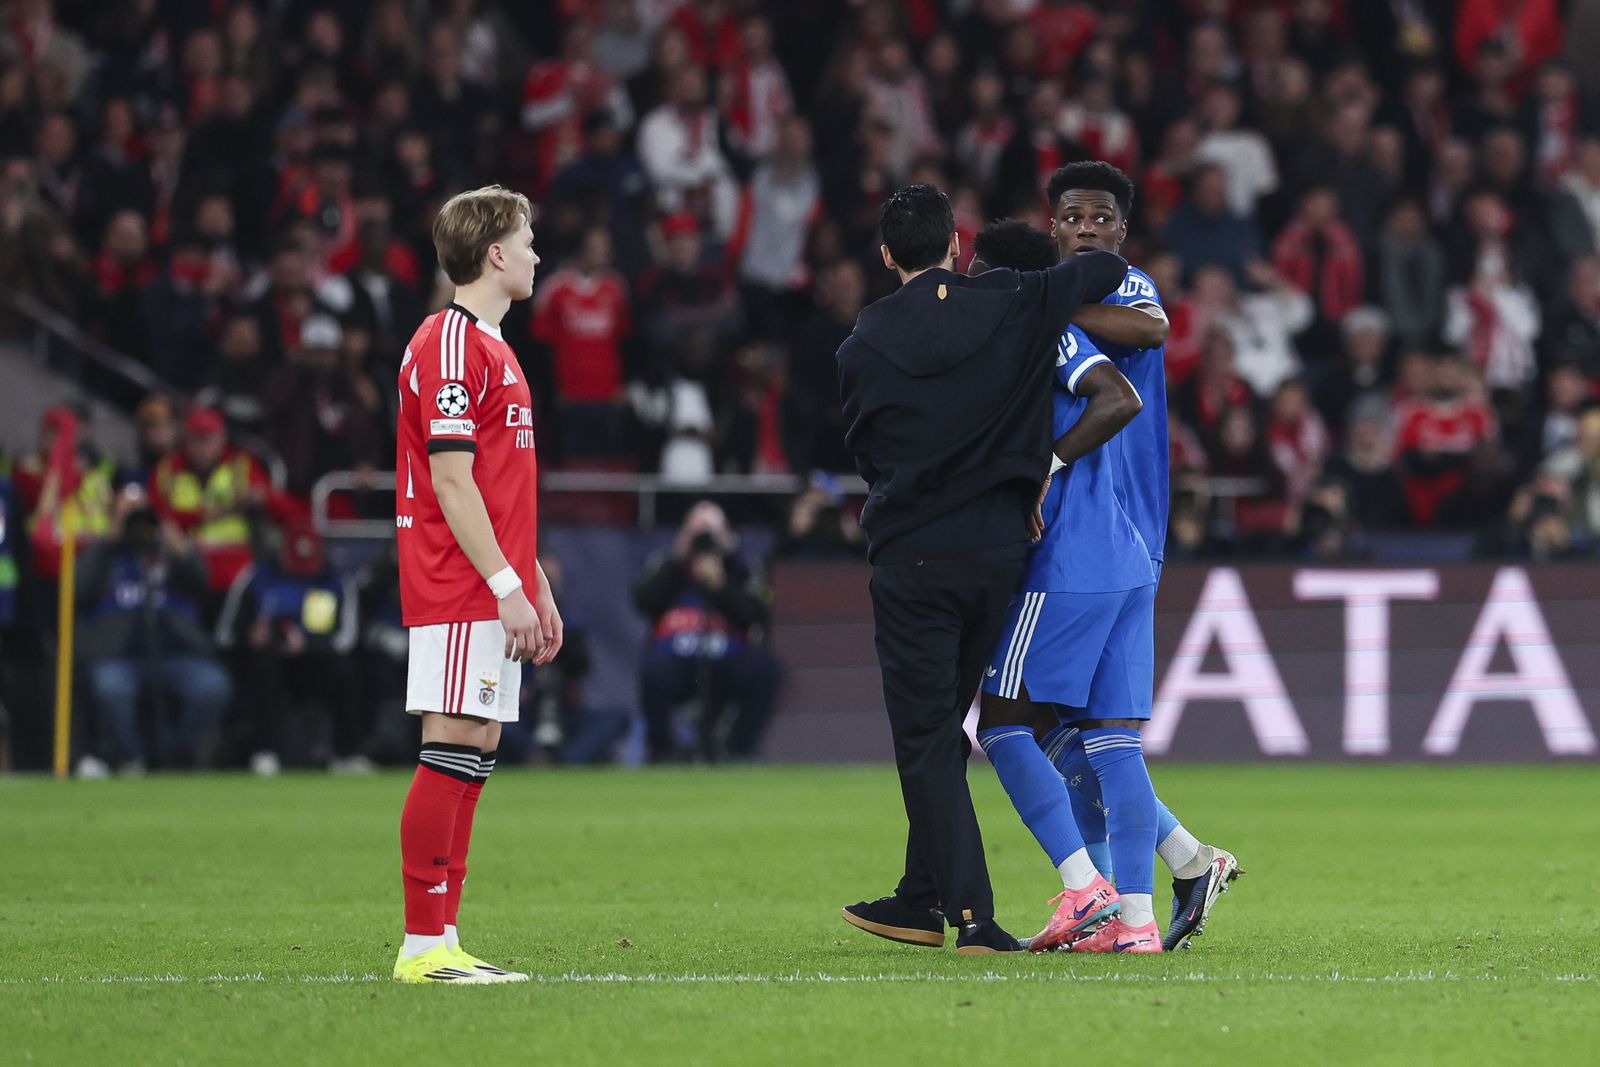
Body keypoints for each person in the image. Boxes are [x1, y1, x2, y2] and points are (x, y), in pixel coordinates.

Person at [836, 183, 1127, 956]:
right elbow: (1100, 270)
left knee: (927, 736)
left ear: (888, 254)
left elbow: (865, 451)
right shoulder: (1011, 301)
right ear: (957, 247)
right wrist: (1068, 266)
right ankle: (917, 893)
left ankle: (970, 918)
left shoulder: (862, 342)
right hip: (1001, 552)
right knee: (945, 726)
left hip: (915, 559)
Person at [1013, 161, 1242, 951]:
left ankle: (1104, 892)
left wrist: (1050, 300)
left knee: (1023, 715)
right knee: (1093, 729)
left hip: (1102, 524)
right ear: (1053, 226)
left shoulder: (1121, 288)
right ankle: (1159, 886)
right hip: (1110, 534)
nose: (1086, 228)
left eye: (1101, 218)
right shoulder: (1050, 298)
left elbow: (1154, 332)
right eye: (1071, 216)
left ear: (1121, 230)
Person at [391, 185, 563, 985]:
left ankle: (446, 936)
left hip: (489, 578)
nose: (535, 253)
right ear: (495, 252)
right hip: (457, 578)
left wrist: (534, 583)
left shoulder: (489, 344)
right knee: (452, 738)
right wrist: (503, 583)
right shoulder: (450, 343)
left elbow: (498, 487)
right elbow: (452, 482)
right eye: (527, 240)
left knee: (477, 745)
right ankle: (423, 944)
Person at [75, 485, 231, 773]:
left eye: (140, 511)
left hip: (174, 652)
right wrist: (107, 541)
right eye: (127, 511)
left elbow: (200, 583)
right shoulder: (104, 551)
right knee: (112, 688)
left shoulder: (167, 549)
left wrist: (180, 547)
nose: (136, 519)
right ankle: (131, 757)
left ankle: (176, 753)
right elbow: (77, 589)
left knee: (212, 685)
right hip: (118, 655)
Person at [631, 501, 779, 761]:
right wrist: (680, 562)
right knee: (652, 670)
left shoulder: (742, 567)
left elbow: (757, 615)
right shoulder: (668, 564)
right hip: (676, 657)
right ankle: (663, 750)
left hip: (727, 657)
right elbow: (644, 601)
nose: (704, 540)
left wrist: (720, 584)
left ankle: (737, 749)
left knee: (765, 670)